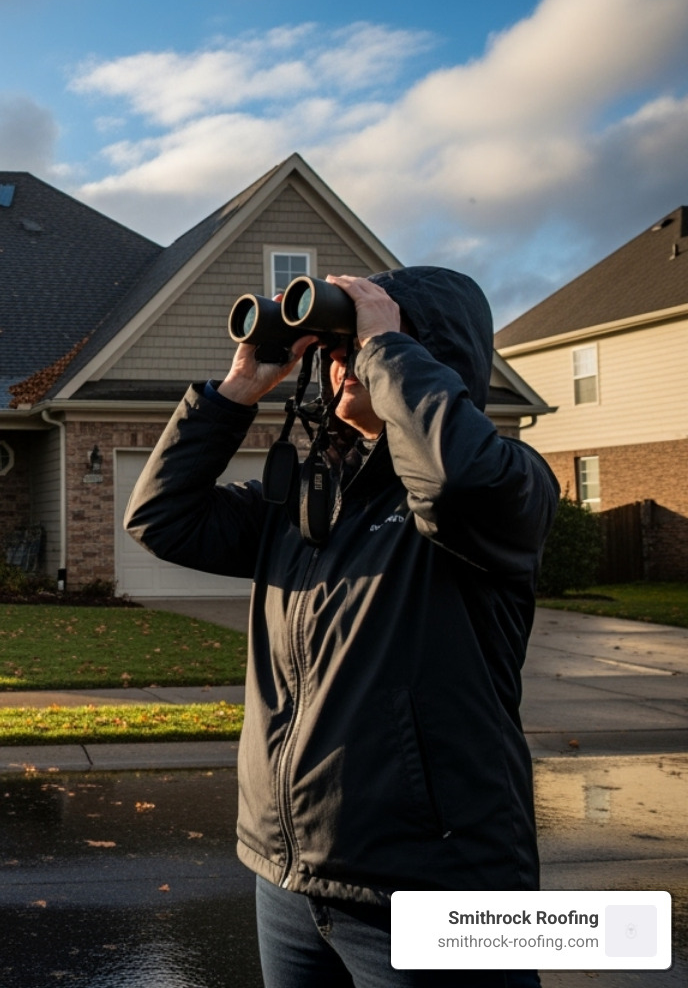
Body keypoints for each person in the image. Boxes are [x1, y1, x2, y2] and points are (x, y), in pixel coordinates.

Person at [124, 267, 558, 987]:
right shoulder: (309, 504)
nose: (343, 362)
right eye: (335, 349)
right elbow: (163, 519)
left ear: (428, 360)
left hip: (436, 885)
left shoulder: (505, 486)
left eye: (361, 344)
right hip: (291, 880)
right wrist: (236, 394)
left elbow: (456, 480)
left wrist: (383, 341)